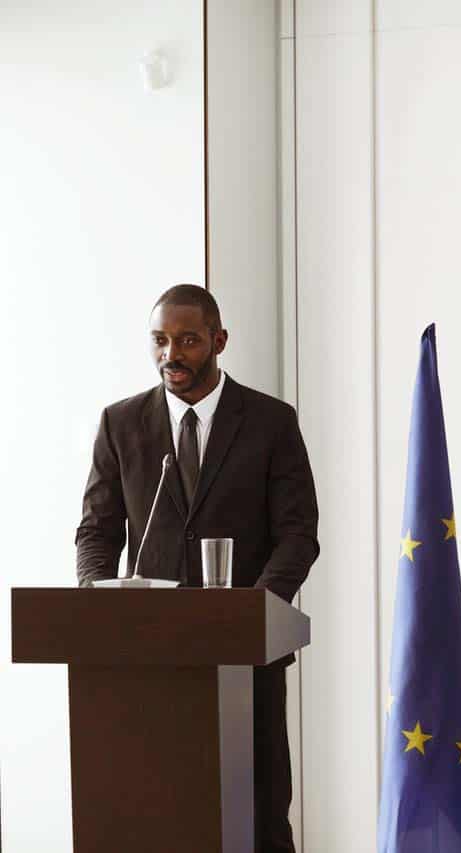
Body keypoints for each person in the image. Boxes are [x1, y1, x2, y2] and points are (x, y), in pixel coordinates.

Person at [75, 284, 319, 853]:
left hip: (246, 666)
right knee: (152, 816)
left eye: (187, 341)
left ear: (218, 341)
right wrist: (95, 599)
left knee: (256, 821)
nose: (171, 355)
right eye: (160, 341)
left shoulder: (270, 422)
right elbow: (96, 530)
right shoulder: (121, 423)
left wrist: (249, 615)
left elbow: (297, 535)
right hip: (146, 663)